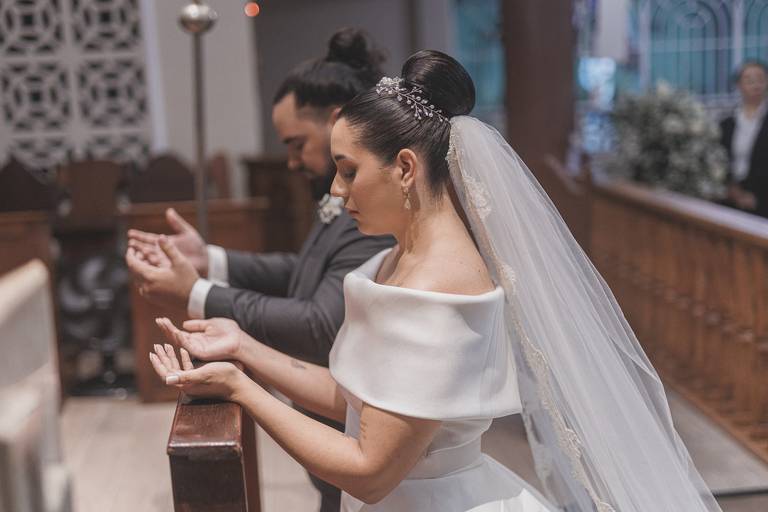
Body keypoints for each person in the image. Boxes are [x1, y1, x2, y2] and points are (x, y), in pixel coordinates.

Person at [148, 51, 722, 511]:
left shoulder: (437, 289)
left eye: (348, 171)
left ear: (404, 168)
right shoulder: (396, 258)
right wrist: (243, 347)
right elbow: (356, 399)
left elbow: (370, 472)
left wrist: (240, 388)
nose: (337, 191)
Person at [127, 28, 394, 512]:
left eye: (297, 144)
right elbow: (306, 272)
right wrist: (211, 259)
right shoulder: (350, 198)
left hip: (357, 445)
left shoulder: (374, 209)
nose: (291, 162)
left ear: (336, 120)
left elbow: (319, 324)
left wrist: (198, 293)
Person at [720, 60, 768, 217]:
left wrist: (758, 198)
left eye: (760, 79)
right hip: (730, 196)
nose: (756, 85)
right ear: (739, 85)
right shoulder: (727, 123)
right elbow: (720, 158)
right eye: (749, 80)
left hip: (762, 200)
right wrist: (733, 191)